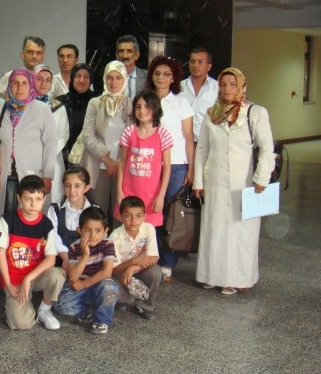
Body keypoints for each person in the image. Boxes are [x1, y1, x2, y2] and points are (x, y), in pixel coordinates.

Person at [193, 68, 275, 295]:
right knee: (214, 230)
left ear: (241, 86)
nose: (227, 89)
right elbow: (202, 150)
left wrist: (261, 178)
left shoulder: (255, 112)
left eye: (232, 84)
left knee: (241, 232)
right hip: (215, 182)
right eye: (223, 84)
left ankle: (238, 279)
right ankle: (211, 275)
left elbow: (267, 148)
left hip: (245, 183)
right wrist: (198, 182)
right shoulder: (212, 114)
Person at [0, 175, 66, 330]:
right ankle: (23, 305)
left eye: (38, 199)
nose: (33, 204)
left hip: (36, 275)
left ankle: (44, 309)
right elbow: (0, 253)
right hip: (14, 279)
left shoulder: (46, 224)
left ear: (44, 199)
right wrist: (8, 284)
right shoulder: (8, 220)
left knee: (57, 275)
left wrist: (28, 278)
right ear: (19, 198)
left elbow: (51, 259)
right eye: (28, 199)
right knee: (21, 324)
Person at [146, 56, 194, 281]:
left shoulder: (182, 103)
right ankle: (152, 257)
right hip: (150, 164)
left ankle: (168, 262)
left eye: (166, 74)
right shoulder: (145, 100)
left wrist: (191, 168)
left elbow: (188, 137)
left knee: (171, 214)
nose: (161, 78)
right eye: (157, 73)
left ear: (173, 78)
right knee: (152, 212)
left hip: (175, 165)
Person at [0, 68, 57, 218]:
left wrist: (47, 175)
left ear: (31, 85)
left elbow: (50, 143)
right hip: (4, 174)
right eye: (15, 83)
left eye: (24, 83)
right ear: (9, 85)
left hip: (33, 174)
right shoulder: (0, 108)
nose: (19, 88)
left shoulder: (42, 109)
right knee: (5, 216)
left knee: (31, 215)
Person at [53, 206, 119, 334]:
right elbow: (73, 277)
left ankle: (101, 320)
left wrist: (84, 284)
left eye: (98, 231)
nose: (93, 235)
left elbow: (107, 272)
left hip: (99, 284)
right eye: (87, 230)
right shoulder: (74, 247)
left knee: (110, 289)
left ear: (105, 231)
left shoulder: (107, 244)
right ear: (79, 230)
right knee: (60, 305)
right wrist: (84, 256)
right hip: (79, 286)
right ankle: (86, 309)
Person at [81, 61, 132, 227]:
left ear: (125, 79)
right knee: (98, 214)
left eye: (118, 77)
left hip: (123, 167)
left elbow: (134, 138)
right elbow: (87, 136)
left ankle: (117, 244)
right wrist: (106, 158)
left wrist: (118, 163)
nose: (113, 82)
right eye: (109, 77)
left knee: (121, 212)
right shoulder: (95, 103)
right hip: (99, 165)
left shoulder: (132, 104)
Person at [115, 90, 173, 228]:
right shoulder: (129, 132)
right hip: (128, 193)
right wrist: (119, 191)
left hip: (151, 196)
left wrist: (161, 195)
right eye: (138, 106)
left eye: (147, 106)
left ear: (155, 108)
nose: (142, 110)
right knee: (127, 231)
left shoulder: (163, 134)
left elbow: (167, 167)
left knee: (147, 234)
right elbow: (122, 163)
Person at [109, 196, 163, 320]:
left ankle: (144, 305)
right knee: (117, 294)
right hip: (120, 275)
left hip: (139, 271)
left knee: (156, 271)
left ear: (144, 216)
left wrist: (132, 268)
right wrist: (133, 261)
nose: (134, 220)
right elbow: (113, 269)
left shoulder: (149, 229)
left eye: (139, 216)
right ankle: (121, 300)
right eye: (128, 216)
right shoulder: (114, 236)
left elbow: (154, 257)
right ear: (121, 216)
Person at [33, 64, 69, 204]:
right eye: (39, 79)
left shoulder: (57, 106)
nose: (43, 83)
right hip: (30, 159)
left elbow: (63, 135)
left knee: (52, 202)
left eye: (48, 80)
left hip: (53, 159)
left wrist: (47, 152)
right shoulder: (24, 105)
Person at [46, 167, 93, 270]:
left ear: (86, 188)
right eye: (68, 186)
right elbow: (53, 237)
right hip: (60, 264)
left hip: (88, 264)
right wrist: (65, 257)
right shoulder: (55, 210)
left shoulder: (95, 211)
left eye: (77, 186)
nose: (72, 191)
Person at [54, 63, 97, 166]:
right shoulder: (59, 102)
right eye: (78, 76)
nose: (82, 80)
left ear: (91, 80)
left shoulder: (98, 102)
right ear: (72, 78)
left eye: (86, 77)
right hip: (62, 160)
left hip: (91, 159)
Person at [0, 36, 66, 96]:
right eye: (30, 52)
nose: (34, 56)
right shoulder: (9, 76)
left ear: (43, 56)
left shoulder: (53, 79)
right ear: (22, 54)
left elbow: (66, 101)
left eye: (38, 53)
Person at [179, 48, 218, 143]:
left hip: (207, 144)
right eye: (192, 61)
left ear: (209, 66)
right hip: (181, 143)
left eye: (200, 62)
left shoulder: (217, 88)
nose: (195, 65)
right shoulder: (178, 87)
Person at [116, 35, 147, 99]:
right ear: (117, 55)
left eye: (129, 51)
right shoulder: (109, 77)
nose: (125, 56)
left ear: (137, 55)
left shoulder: (147, 76)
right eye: (121, 51)